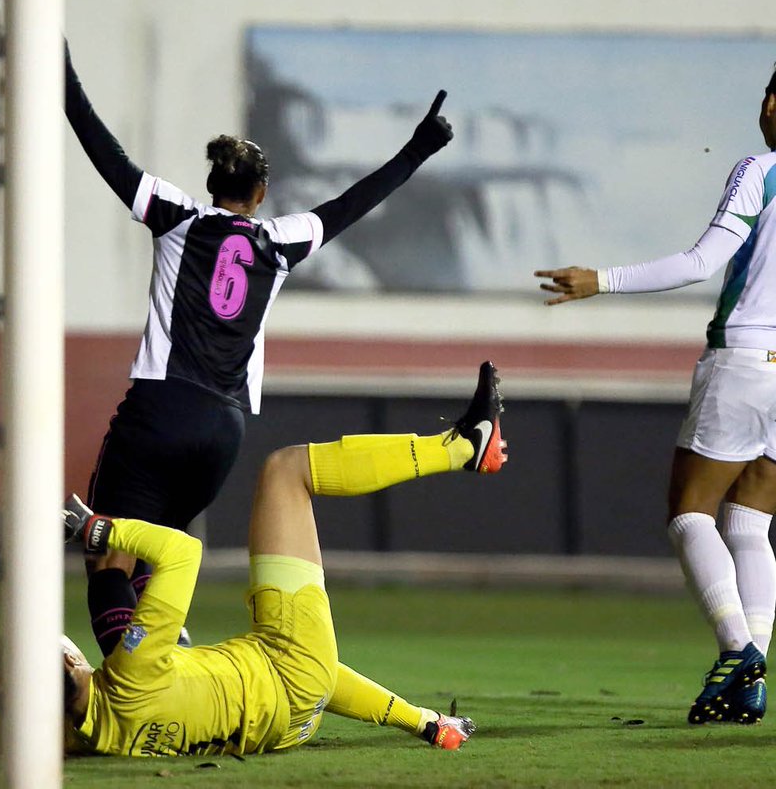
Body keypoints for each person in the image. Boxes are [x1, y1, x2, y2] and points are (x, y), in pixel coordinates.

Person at [65, 42, 456, 655]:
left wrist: (60, 77)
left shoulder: (176, 217)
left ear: (211, 184)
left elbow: (102, 149)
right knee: (157, 548)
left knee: (108, 554)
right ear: (262, 194)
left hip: (161, 412)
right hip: (222, 431)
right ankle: (167, 657)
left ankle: (132, 691)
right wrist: (418, 148)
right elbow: (353, 203)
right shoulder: (281, 242)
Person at [44, 361, 504, 757]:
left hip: (289, 727)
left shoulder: (100, 737)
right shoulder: (132, 669)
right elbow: (184, 552)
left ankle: (429, 725)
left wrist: (422, 722)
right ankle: (464, 447)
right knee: (286, 471)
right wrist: (91, 526)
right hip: (288, 671)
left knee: (293, 663)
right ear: (70, 668)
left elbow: (317, 676)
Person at [534, 64, 776, 724]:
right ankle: (750, 684)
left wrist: (601, 280)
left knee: (689, 510)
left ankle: (740, 653)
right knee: (751, 522)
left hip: (746, 360)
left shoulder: (761, 170)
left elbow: (703, 261)